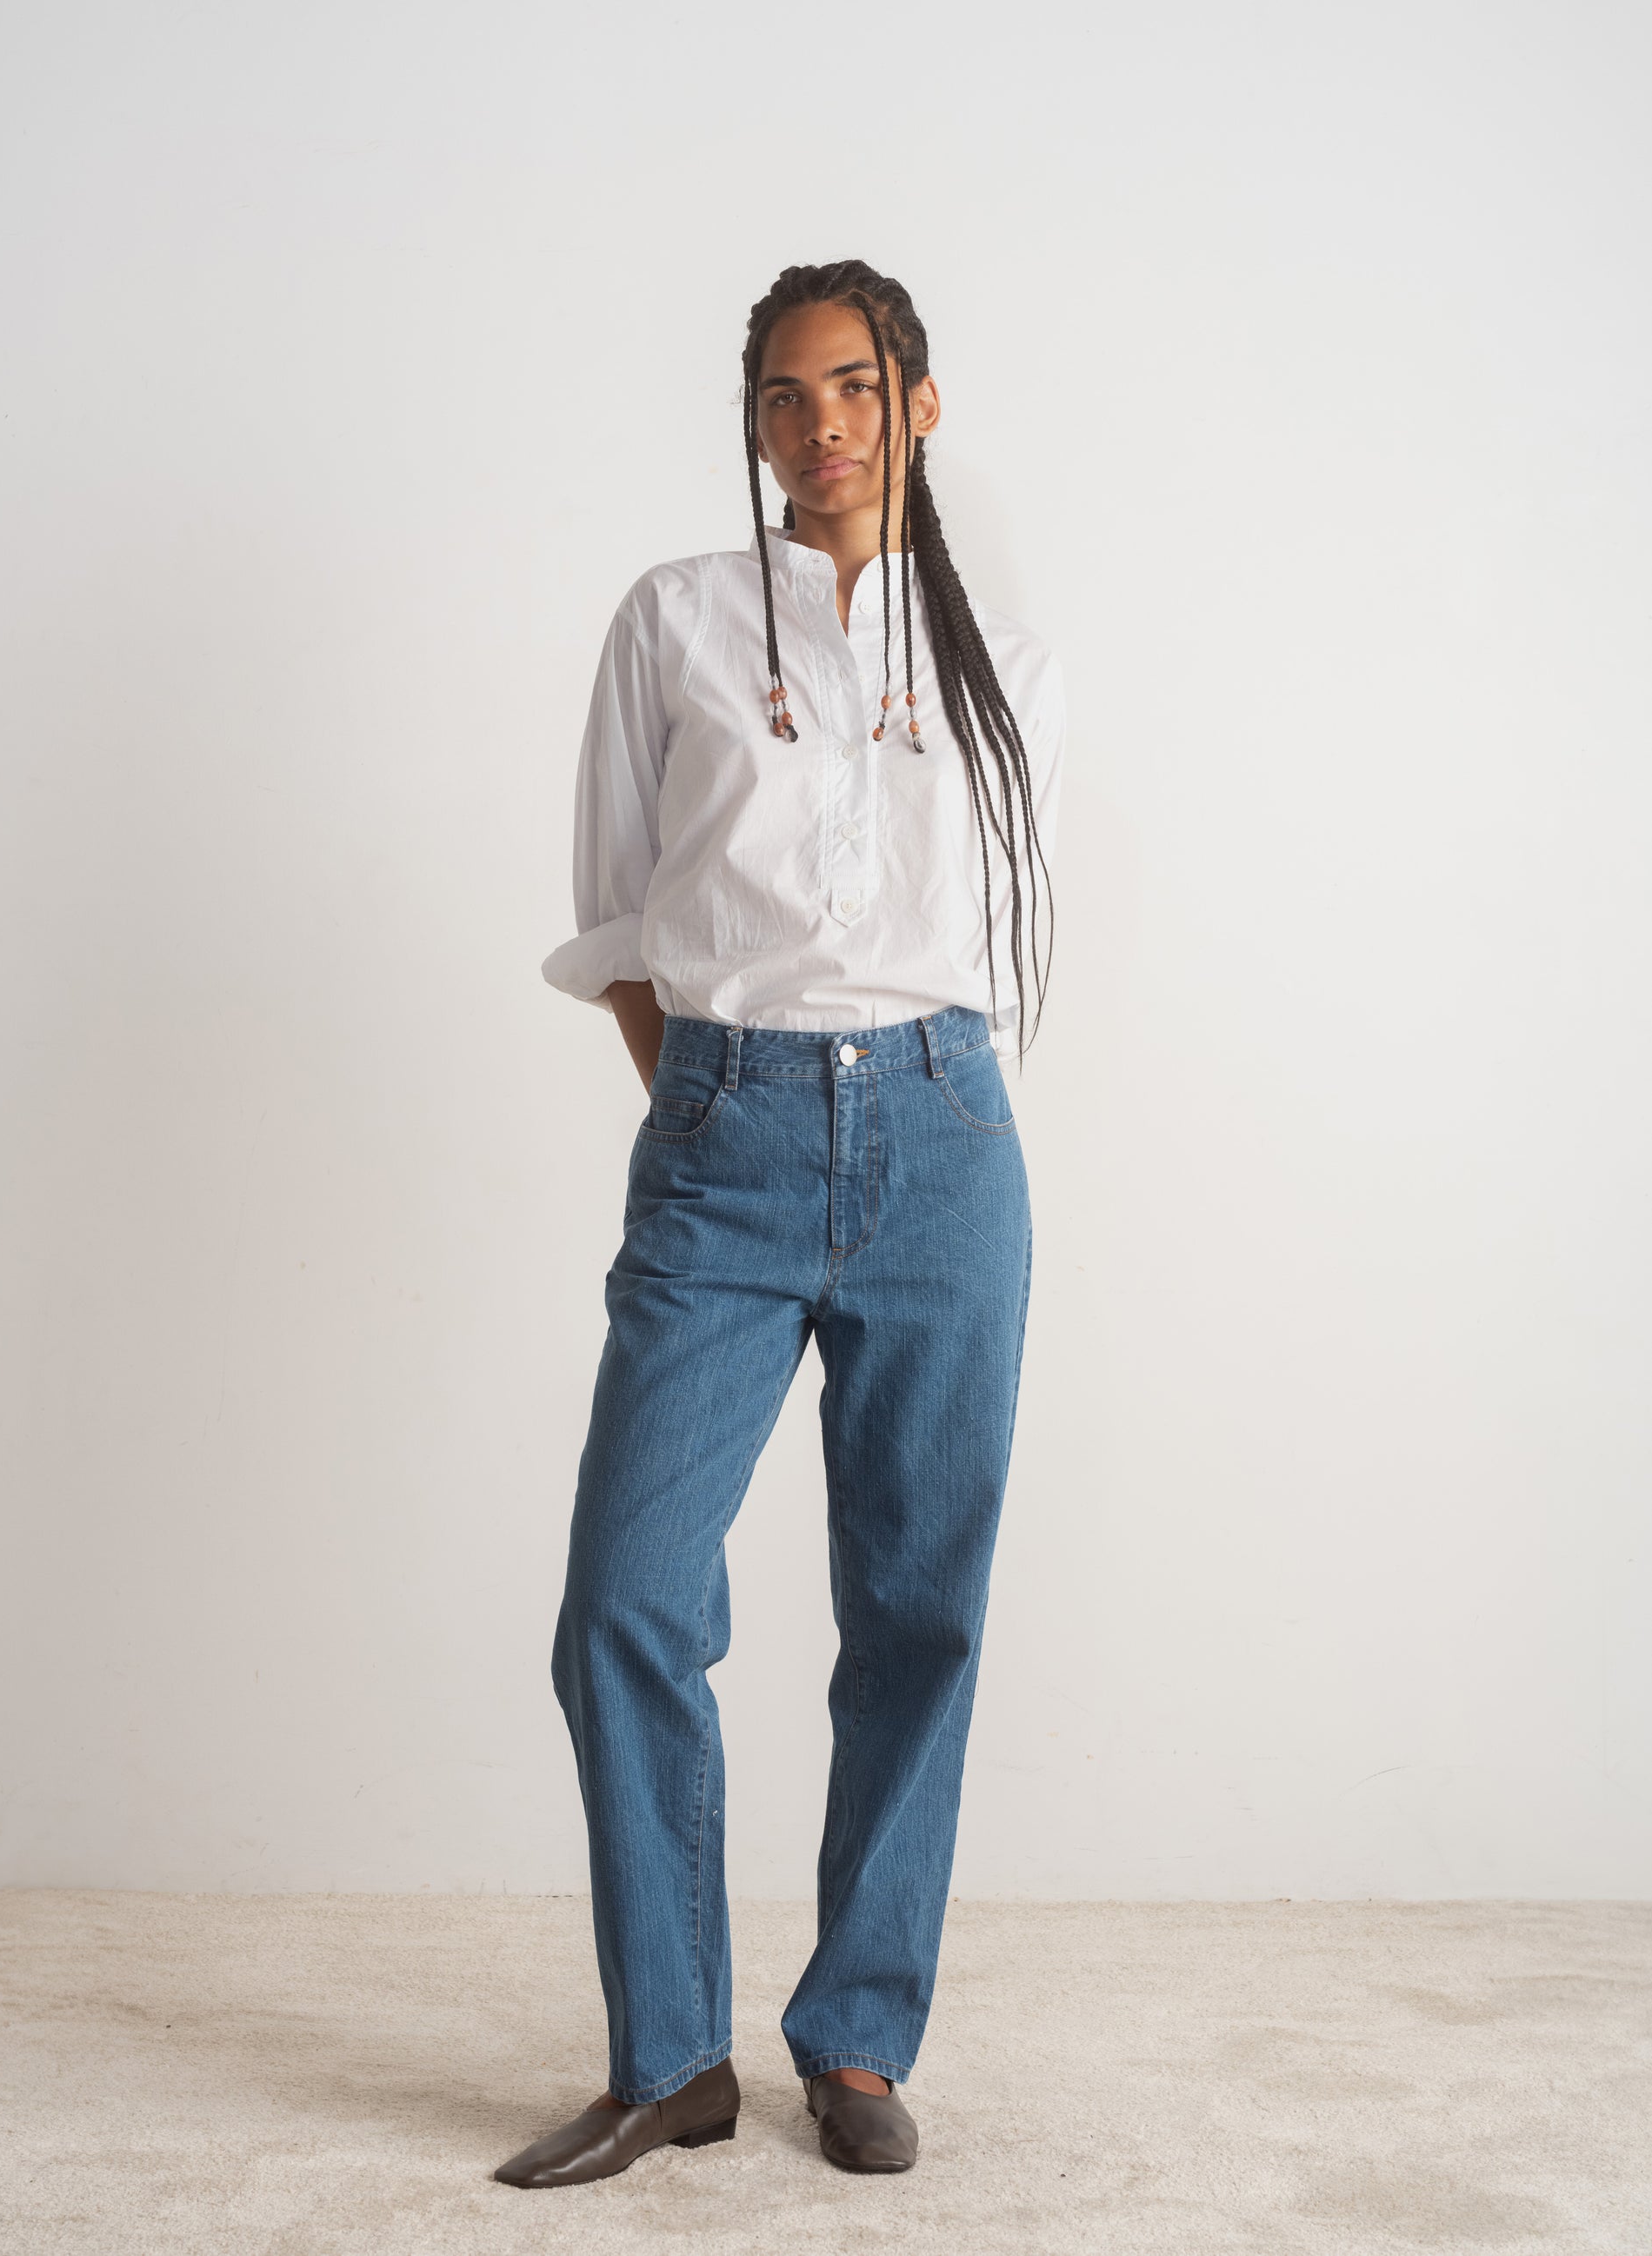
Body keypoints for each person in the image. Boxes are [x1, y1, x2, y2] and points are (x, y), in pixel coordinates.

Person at [496, 258, 1064, 2190]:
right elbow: (616, 916)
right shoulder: (672, 619)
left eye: (854, 386)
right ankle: (670, 2054)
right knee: (626, 1596)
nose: (819, 425)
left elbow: (999, 934)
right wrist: (707, 1102)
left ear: (918, 402)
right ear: (751, 424)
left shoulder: (1004, 657)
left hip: (943, 1134)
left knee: (919, 1604)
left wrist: (918, 1102)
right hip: (722, 1130)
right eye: (782, 395)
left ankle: (858, 2034)